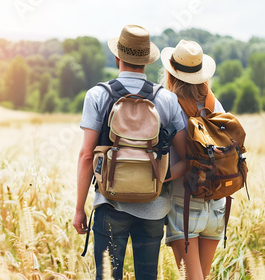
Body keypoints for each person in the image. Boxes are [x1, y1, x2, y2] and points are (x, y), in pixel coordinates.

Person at [73, 25, 187, 280]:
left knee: (107, 276)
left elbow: (86, 156)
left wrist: (79, 208)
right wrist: (157, 178)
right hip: (154, 208)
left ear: (117, 58)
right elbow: (185, 156)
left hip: (109, 204)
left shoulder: (98, 95)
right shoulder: (167, 99)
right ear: (147, 61)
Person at [160, 39, 226, 280]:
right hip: (217, 203)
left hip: (185, 203)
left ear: (171, 73)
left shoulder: (168, 103)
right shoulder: (213, 102)